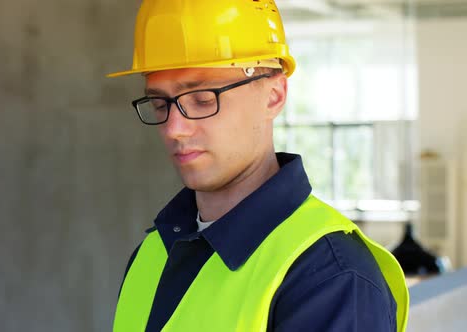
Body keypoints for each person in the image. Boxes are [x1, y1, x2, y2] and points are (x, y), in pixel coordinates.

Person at [108, 0, 409, 331]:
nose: (174, 128)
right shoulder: (153, 253)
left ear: (274, 95)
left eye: (203, 99)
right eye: (159, 103)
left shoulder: (329, 276)